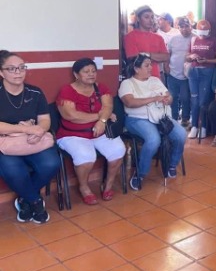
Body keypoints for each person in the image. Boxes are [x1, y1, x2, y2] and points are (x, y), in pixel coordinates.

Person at [56, 58, 126, 204]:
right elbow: (71, 116)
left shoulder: (101, 88)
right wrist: (100, 116)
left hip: (100, 132)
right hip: (72, 135)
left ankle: (107, 185)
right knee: (86, 156)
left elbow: (108, 107)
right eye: (86, 71)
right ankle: (84, 187)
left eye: (93, 71)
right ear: (76, 74)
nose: (91, 74)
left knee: (118, 150)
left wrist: (102, 121)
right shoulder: (67, 90)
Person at [0, 50, 59, 223]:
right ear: (1, 72)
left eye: (21, 67)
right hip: (7, 143)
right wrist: (26, 130)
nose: (18, 72)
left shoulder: (35, 92)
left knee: (51, 163)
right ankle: (34, 201)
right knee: (13, 171)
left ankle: (25, 199)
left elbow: (45, 120)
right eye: (11, 69)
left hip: (35, 140)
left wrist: (39, 131)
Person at [118, 54, 187, 190]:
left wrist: (168, 99)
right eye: (147, 65)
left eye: (150, 64)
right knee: (154, 140)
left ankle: (171, 165)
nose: (150, 67)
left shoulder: (155, 80)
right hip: (137, 119)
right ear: (136, 69)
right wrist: (154, 98)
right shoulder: (127, 83)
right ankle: (140, 173)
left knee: (181, 135)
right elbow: (130, 102)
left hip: (160, 117)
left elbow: (169, 96)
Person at [187, 19, 216, 139]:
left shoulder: (214, 41)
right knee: (194, 100)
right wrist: (192, 56)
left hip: (207, 71)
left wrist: (206, 60)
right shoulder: (193, 39)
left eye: (205, 31)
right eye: (200, 31)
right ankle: (194, 126)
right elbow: (187, 56)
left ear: (209, 30)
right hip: (193, 71)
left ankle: (203, 127)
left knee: (203, 101)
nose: (202, 34)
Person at [123, 5, 170, 78]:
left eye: (152, 17)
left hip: (156, 78)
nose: (151, 20)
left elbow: (166, 57)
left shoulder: (158, 38)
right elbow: (134, 58)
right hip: (138, 79)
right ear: (138, 18)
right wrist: (156, 57)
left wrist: (146, 54)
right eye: (146, 17)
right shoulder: (130, 37)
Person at [167, 17, 195, 127]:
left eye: (186, 26)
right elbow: (168, 54)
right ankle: (173, 118)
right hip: (172, 73)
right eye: (181, 27)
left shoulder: (195, 39)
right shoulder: (173, 39)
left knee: (185, 98)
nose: (184, 29)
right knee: (172, 97)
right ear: (178, 28)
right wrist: (166, 66)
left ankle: (185, 118)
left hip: (187, 75)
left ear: (191, 26)